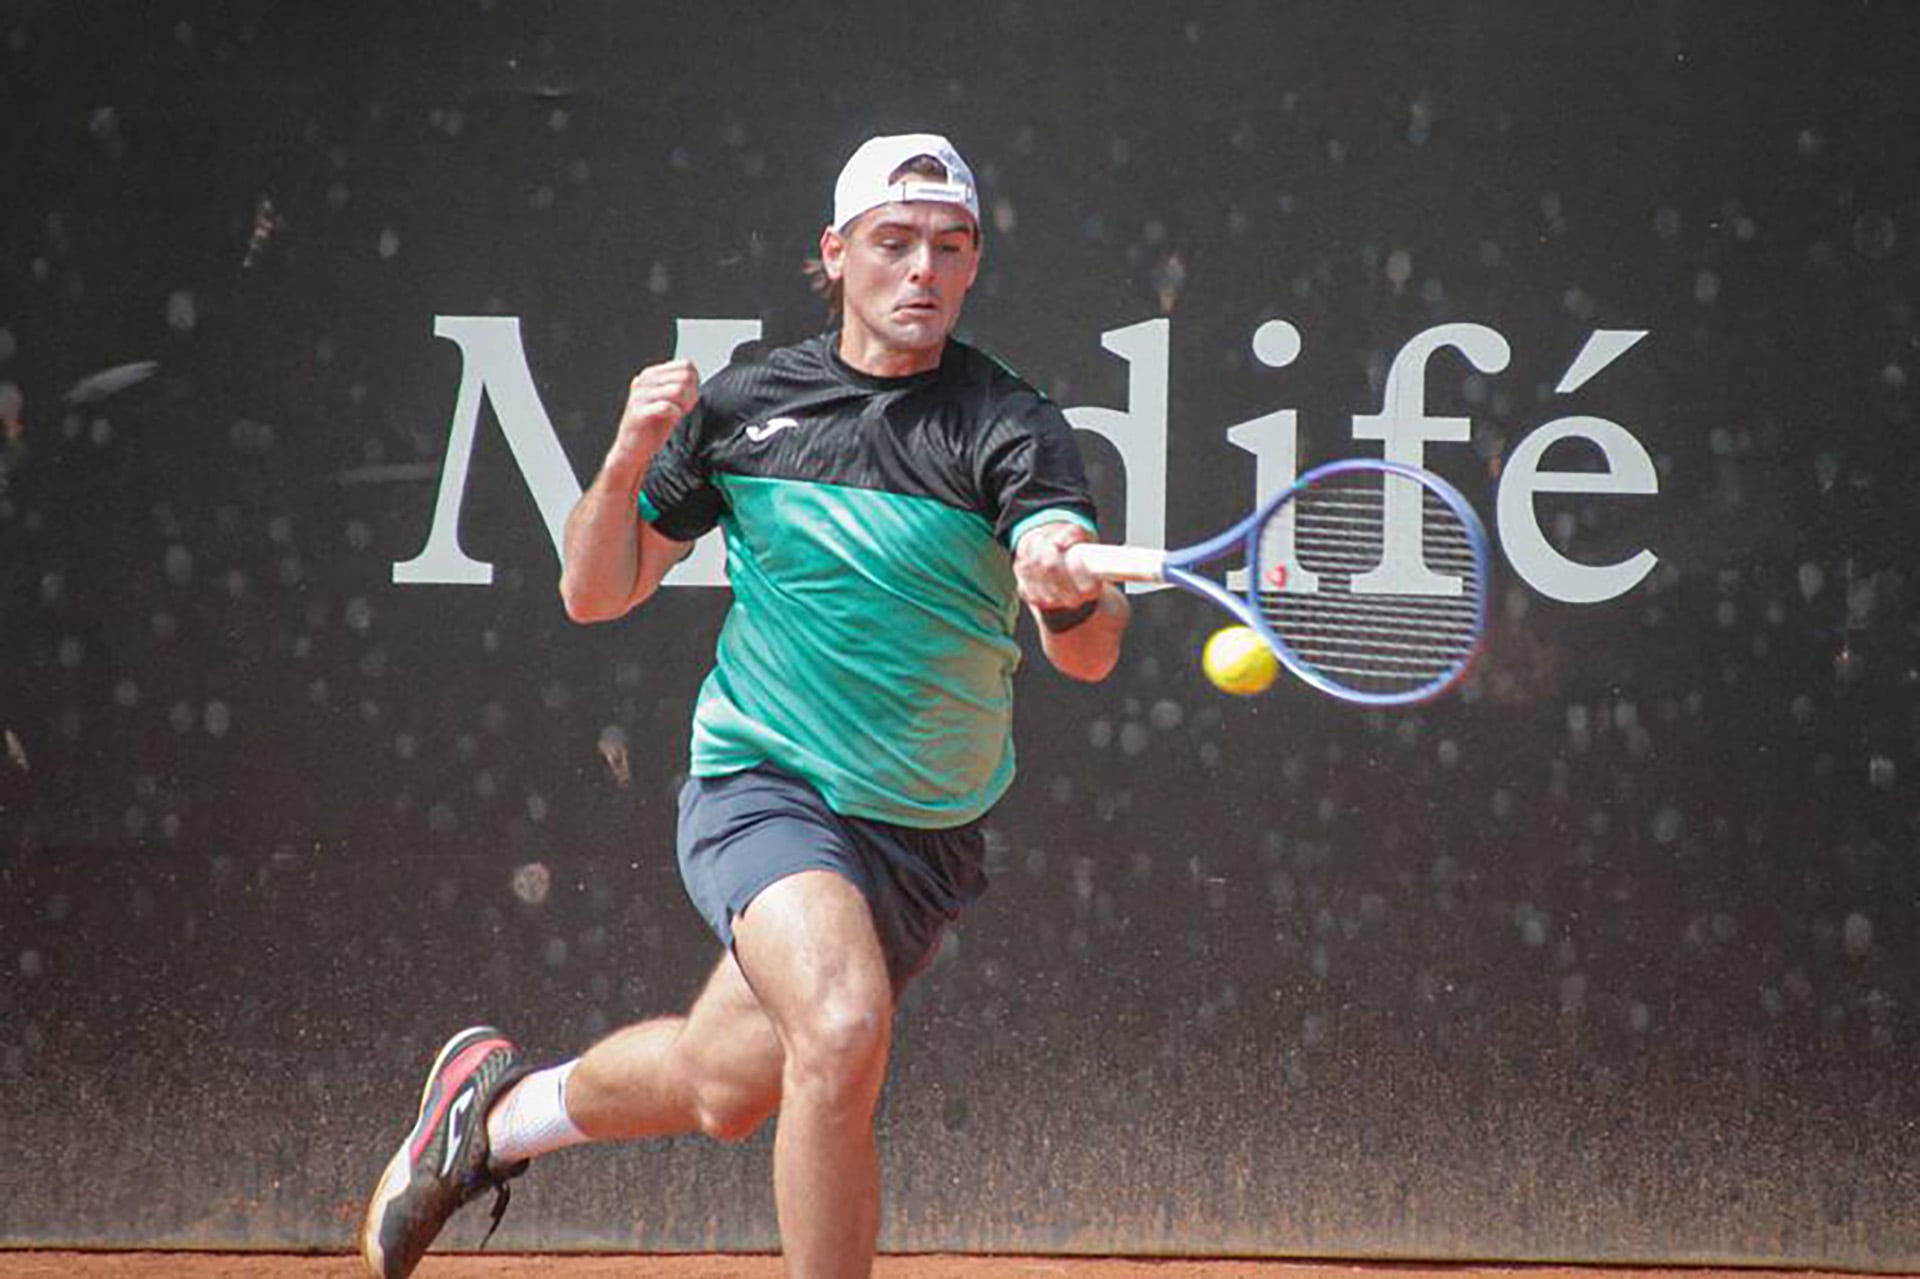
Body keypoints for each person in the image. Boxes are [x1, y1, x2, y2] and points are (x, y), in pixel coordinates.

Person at [358, 132, 1130, 1279]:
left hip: (922, 829)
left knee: (727, 1087)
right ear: (837, 253)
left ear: (973, 266)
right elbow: (597, 590)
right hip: (765, 782)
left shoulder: (1008, 425)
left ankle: (493, 1112)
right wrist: (625, 459)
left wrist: (1064, 586)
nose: (922, 269)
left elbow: (1091, 657)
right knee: (842, 1027)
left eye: (949, 247)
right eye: (894, 242)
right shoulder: (749, 407)